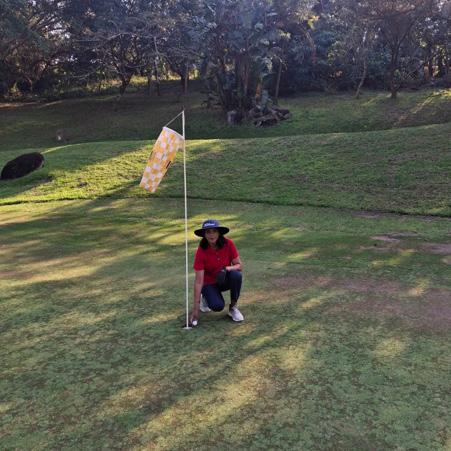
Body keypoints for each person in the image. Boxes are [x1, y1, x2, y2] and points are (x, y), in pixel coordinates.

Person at [190, 219, 244, 325]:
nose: (212, 235)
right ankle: (205, 297)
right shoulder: (201, 251)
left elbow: (239, 266)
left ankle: (233, 307)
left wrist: (227, 269)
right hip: (209, 283)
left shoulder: (228, 243)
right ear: (204, 234)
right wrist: (195, 309)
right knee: (217, 306)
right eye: (208, 232)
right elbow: (199, 282)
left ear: (219, 233)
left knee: (236, 275)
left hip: (223, 279)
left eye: (214, 231)